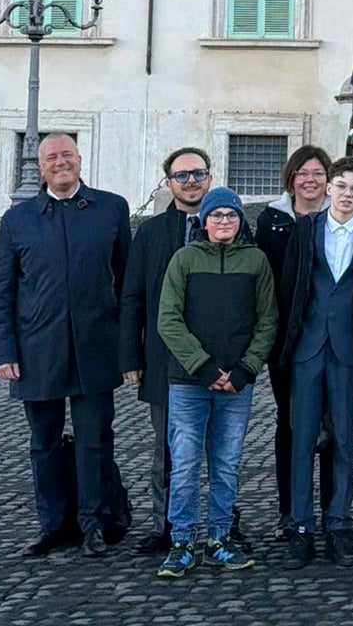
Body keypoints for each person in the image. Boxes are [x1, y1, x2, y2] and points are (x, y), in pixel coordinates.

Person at [0, 133, 132, 558]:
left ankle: (93, 523)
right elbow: (3, 291)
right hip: (37, 350)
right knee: (44, 443)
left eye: (67, 154)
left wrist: (129, 349)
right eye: (52, 157)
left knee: (95, 441)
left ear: (80, 159)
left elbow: (127, 285)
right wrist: (3, 351)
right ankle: (53, 525)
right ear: (40, 166)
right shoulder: (19, 220)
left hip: (96, 347)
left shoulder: (111, 208)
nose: (60, 162)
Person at [154, 187, 277, 577]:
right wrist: (204, 367)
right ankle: (182, 541)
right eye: (217, 214)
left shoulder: (256, 261)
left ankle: (219, 538)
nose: (224, 221)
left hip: (236, 382)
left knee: (226, 464)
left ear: (240, 221)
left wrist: (245, 369)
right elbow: (168, 320)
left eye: (231, 215)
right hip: (189, 381)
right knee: (186, 463)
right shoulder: (184, 259)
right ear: (203, 220)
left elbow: (267, 319)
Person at [279, 156, 353, 569]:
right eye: (340, 185)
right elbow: (291, 285)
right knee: (302, 437)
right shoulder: (307, 228)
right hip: (307, 346)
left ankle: (339, 523)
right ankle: (301, 526)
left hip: (348, 349)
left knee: (345, 438)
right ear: (328, 188)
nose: (346, 194)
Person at [118, 147, 212, 556]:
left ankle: (223, 523)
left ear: (209, 178)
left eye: (198, 174)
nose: (191, 181)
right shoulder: (152, 233)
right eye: (182, 175)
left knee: (221, 451)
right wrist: (130, 357)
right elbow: (132, 297)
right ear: (168, 182)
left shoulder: (229, 225)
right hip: (163, 359)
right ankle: (168, 526)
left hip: (218, 359)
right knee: (167, 451)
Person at [255, 144, 334, 540]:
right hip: (287, 340)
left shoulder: (344, 216)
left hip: (333, 339)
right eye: (302, 173)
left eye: (318, 173)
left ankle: (333, 513)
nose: (310, 180)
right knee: (289, 424)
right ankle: (291, 510)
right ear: (291, 179)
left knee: (333, 426)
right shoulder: (271, 221)